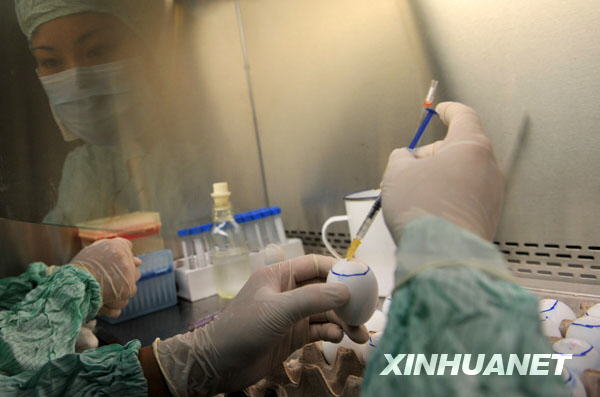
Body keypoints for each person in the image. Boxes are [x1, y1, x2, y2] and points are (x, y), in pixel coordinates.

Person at [16, 0, 195, 232]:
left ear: (148, 49)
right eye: (52, 61)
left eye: (97, 50)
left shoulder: (201, 154)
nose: (78, 82)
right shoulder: (85, 168)